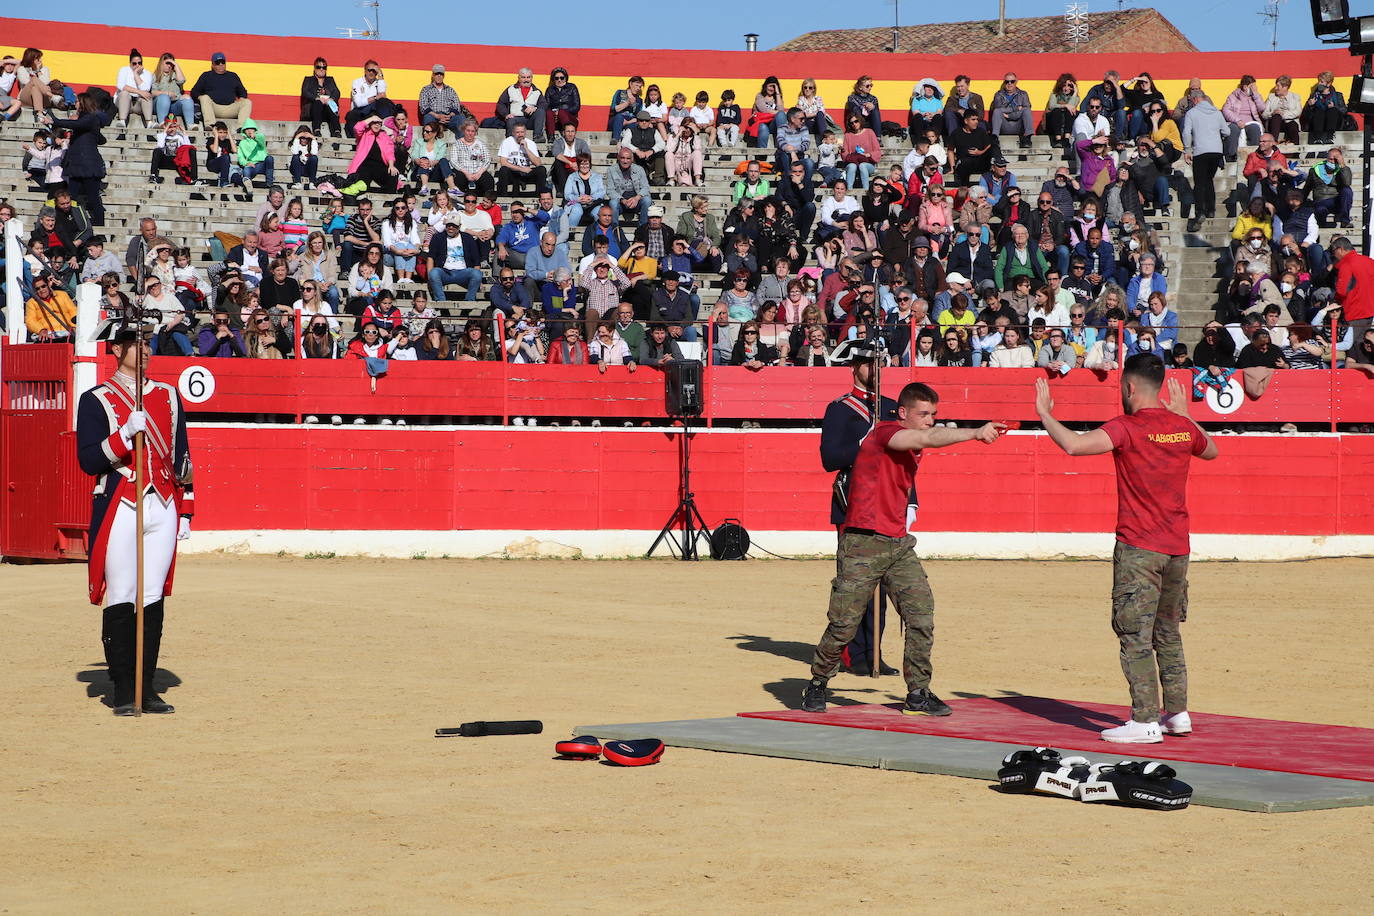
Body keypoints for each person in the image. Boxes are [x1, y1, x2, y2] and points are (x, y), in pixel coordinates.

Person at [1035, 356, 1217, 743]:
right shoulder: (1181, 427)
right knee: (1167, 632)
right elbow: (1212, 450)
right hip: (1177, 548)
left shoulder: (1127, 427)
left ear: (1130, 388)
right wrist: (1186, 415)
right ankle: (1177, 713)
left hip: (1140, 547)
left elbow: (1074, 445)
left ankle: (1145, 719)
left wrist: (1045, 414)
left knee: (1134, 633)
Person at [803, 379, 1006, 715]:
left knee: (921, 614)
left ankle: (918, 691)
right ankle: (818, 681)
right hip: (863, 541)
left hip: (897, 542)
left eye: (934, 414)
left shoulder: (907, 439)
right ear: (903, 414)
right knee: (844, 623)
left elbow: (928, 437)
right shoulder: (884, 432)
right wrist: (974, 433)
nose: (930, 420)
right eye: (923, 413)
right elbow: (926, 437)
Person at [77, 318, 193, 716]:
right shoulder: (96, 400)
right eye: (132, 342)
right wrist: (124, 434)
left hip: (162, 503)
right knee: (123, 594)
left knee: (152, 596)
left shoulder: (169, 395)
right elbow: (88, 460)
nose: (142, 349)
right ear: (114, 350)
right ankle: (123, 688)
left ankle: (147, 687)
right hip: (121, 502)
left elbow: (183, 458)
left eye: (145, 341)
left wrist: (187, 510)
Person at [50, 92, 110, 227]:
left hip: (88, 165)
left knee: (93, 197)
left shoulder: (90, 118)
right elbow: (100, 138)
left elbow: (77, 124)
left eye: (77, 101)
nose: (75, 103)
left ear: (83, 103)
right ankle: (67, 223)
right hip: (78, 165)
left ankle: (100, 226)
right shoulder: (87, 120)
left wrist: (54, 120)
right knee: (71, 196)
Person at [190, 52, 251, 130]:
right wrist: (201, 98)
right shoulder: (206, 76)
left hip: (230, 108)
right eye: (218, 63)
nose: (221, 64)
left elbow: (243, 92)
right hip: (213, 108)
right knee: (204, 97)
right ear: (213, 64)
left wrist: (242, 98)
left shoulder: (233, 76)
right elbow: (194, 91)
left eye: (223, 62)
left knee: (247, 102)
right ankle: (210, 125)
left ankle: (242, 127)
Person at [298, 57, 341, 137]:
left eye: (324, 67)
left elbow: (337, 92)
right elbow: (305, 92)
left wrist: (331, 99)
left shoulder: (330, 80)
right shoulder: (308, 80)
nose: (322, 69)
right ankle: (316, 130)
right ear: (314, 68)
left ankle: (337, 131)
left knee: (332, 103)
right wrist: (317, 98)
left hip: (327, 109)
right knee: (317, 103)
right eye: (319, 67)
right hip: (313, 109)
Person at [418, 64, 462, 137]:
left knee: (461, 118)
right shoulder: (426, 89)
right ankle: (431, 141)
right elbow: (423, 107)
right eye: (436, 74)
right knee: (427, 117)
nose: (439, 76)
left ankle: (463, 144)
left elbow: (457, 107)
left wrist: (449, 116)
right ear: (433, 75)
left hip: (448, 117)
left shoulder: (450, 90)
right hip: (433, 117)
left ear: (443, 76)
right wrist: (437, 116)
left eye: (441, 74)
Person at [114, 49, 154, 129]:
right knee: (124, 93)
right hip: (124, 102)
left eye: (139, 63)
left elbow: (146, 89)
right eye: (134, 63)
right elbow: (121, 86)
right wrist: (139, 91)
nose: (137, 65)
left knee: (147, 95)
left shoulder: (147, 73)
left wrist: (136, 75)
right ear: (130, 63)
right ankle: (122, 121)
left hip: (138, 104)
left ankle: (149, 122)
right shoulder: (124, 70)